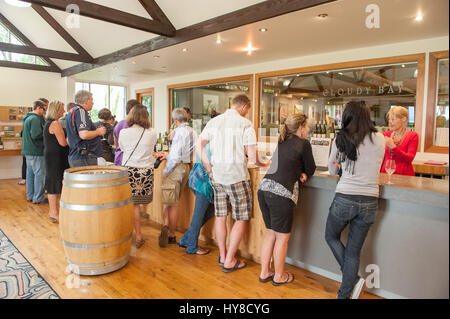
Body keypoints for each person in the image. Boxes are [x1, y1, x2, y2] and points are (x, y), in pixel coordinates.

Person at [197, 94, 268, 273]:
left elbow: (199, 145)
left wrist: (207, 165)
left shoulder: (214, 122)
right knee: (241, 217)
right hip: (236, 176)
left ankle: (223, 256)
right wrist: (264, 163)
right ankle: (230, 260)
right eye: (247, 110)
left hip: (217, 176)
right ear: (244, 107)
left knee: (221, 216)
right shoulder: (245, 124)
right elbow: (252, 157)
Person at [325, 101, 385, 299]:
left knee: (331, 236)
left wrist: (342, 166)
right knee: (353, 251)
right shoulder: (380, 139)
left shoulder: (341, 138)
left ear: (347, 117)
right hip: (370, 201)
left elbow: (333, 169)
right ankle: (345, 293)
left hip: (345, 198)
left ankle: (354, 280)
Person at [257, 113, 316, 286]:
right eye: (307, 126)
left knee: (270, 234)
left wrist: (299, 171)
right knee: (282, 238)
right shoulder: (304, 143)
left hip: (264, 188)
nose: (309, 129)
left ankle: (265, 272)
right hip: (281, 193)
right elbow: (310, 168)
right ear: (301, 127)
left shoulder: (282, 142)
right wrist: (303, 173)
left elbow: (288, 163)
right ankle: (279, 276)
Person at [178, 112, 222, 255]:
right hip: (203, 180)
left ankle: (186, 239)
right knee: (199, 215)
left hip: (198, 178)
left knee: (210, 211)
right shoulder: (214, 139)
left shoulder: (206, 136)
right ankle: (192, 247)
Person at [119, 104, 159, 248]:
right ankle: (138, 234)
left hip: (130, 171)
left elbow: (123, 149)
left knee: (131, 205)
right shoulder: (152, 132)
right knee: (137, 205)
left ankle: (135, 235)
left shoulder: (124, 132)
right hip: (146, 172)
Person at [158, 108, 195, 248]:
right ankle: (170, 232)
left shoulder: (180, 132)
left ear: (175, 121)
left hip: (175, 168)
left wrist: (166, 171)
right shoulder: (193, 131)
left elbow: (175, 156)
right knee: (174, 202)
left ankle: (169, 231)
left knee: (168, 203)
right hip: (186, 168)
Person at [43, 101, 69, 223]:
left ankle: (54, 212)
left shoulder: (48, 122)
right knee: (54, 184)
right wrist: (71, 139)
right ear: (57, 110)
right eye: (62, 109)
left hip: (52, 156)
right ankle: (54, 212)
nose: (64, 111)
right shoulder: (55, 123)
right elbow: (63, 143)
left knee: (53, 183)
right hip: (56, 158)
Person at [66, 90, 106, 168]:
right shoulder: (81, 112)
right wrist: (98, 132)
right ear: (86, 101)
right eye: (91, 100)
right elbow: (84, 134)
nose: (93, 103)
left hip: (77, 155)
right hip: (83, 157)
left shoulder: (72, 112)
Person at [21, 100, 47, 204]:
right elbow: (36, 135)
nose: (45, 111)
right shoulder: (35, 119)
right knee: (40, 175)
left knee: (30, 174)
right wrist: (47, 134)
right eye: (44, 109)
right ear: (38, 108)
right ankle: (39, 197)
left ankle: (30, 196)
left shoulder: (27, 118)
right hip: (36, 150)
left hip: (28, 151)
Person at [380, 106, 418, 176]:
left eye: (393, 119)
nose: (390, 122)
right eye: (389, 119)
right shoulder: (385, 134)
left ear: (404, 119)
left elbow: (409, 159)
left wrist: (393, 147)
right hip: (385, 174)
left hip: (404, 175)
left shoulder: (413, 136)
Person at [114, 99, 140, 166]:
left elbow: (117, 145)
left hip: (119, 158)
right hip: (132, 160)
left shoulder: (118, 125)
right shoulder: (137, 125)